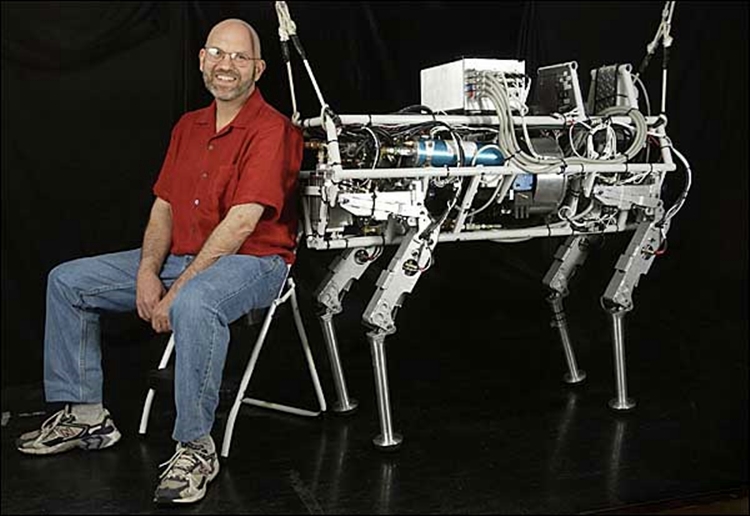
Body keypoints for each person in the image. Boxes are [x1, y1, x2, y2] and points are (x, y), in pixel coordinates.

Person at [16, 18, 303, 505]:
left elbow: (239, 224)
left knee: (194, 305)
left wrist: (175, 289)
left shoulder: (273, 129)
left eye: (238, 57)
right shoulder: (187, 127)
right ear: (201, 61)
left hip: (254, 261)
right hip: (183, 256)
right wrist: (148, 272)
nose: (225, 65)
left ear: (258, 68)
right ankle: (87, 417)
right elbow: (164, 207)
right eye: (217, 53)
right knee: (67, 282)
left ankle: (195, 446)